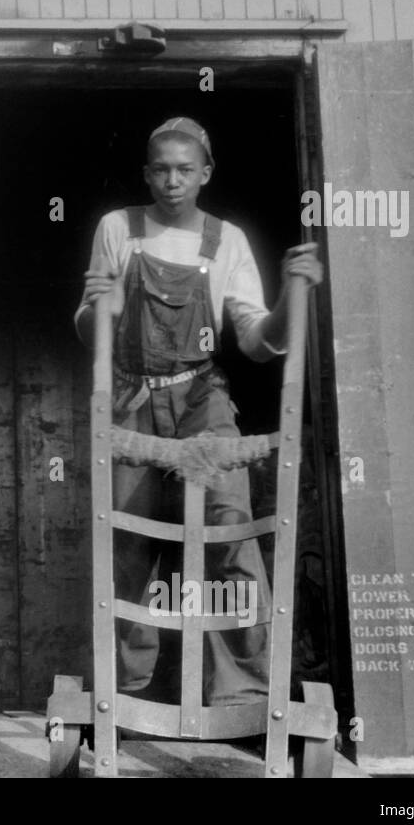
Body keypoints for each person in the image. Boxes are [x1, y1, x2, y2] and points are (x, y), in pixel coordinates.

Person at [74, 117, 323, 708]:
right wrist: (99, 309)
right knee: (127, 541)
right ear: (146, 173)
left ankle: (244, 693)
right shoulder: (118, 229)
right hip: (131, 398)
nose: (172, 180)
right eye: (160, 169)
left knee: (229, 528)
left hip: (201, 399)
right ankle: (124, 692)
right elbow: (89, 333)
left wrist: (292, 292)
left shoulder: (226, 240)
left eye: (185, 169)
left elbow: (262, 343)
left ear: (205, 173)